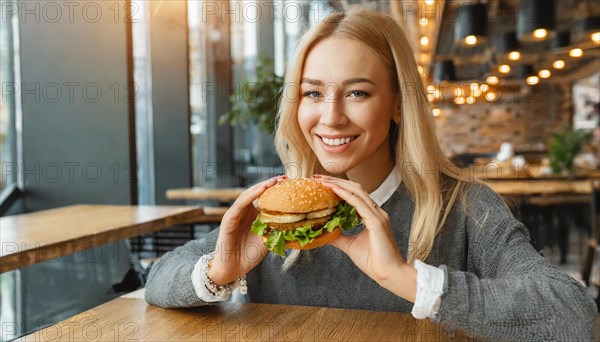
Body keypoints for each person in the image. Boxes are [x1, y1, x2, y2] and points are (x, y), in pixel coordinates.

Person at [145, 8, 597, 340]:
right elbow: (159, 280)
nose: (331, 117)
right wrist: (221, 270)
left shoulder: (464, 209)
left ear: (399, 103)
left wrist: (407, 280)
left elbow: (575, 316)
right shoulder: (277, 209)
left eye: (357, 92)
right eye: (313, 93)